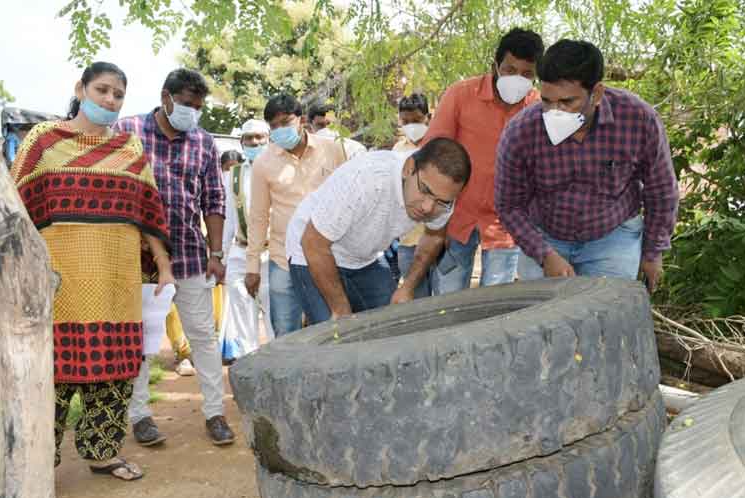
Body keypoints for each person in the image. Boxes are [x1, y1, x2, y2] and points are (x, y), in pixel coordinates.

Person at [11, 62, 173, 480]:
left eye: (118, 95)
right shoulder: (43, 141)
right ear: (80, 88)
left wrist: (164, 266)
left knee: (115, 370)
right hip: (58, 284)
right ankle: (36, 466)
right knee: (51, 376)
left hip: (115, 279)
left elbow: (149, 213)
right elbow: (13, 205)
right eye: (102, 90)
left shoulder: (130, 149)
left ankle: (104, 453)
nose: (110, 100)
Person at [494, 39, 679, 291]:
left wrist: (652, 253)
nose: (554, 112)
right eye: (547, 101)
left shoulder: (638, 119)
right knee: (543, 321)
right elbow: (509, 206)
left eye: (567, 102)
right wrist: (544, 254)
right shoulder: (521, 132)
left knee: (605, 315)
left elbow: (662, 191)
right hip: (544, 235)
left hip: (613, 236)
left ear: (597, 94)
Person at [115, 68, 235, 447]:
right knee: (141, 339)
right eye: (186, 104)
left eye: (198, 107)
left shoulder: (203, 142)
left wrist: (215, 253)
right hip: (134, 258)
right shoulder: (127, 131)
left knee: (203, 335)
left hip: (188, 255)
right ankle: (140, 417)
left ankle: (215, 413)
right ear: (165, 97)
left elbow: (213, 200)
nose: (192, 113)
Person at [286, 137, 471, 324]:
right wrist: (340, 309)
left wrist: (407, 287)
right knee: (338, 336)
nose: (428, 207)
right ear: (409, 168)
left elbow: (433, 237)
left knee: (391, 325)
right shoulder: (365, 179)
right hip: (312, 249)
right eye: (424, 190)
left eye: (441, 201)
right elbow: (313, 243)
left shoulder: (443, 199)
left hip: (364, 257)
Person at [425, 27, 544, 293]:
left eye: (527, 74)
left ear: (536, 77)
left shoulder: (538, 109)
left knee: (496, 305)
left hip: (507, 226)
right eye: (510, 70)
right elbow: (433, 153)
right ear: (495, 66)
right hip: (455, 218)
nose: (517, 79)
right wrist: (435, 223)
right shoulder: (460, 95)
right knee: (447, 299)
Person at [244, 94, 347, 337]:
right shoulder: (263, 163)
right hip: (283, 258)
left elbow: (347, 200)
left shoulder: (331, 151)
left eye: (285, 122)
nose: (280, 130)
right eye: (274, 126)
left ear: (300, 119)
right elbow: (258, 217)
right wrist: (253, 266)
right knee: (284, 331)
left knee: (330, 329)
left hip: (327, 255)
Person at [218, 119, 274, 364]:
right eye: (249, 138)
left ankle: (276, 366)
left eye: (259, 137)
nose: (254, 142)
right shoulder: (234, 175)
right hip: (240, 252)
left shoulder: (279, 169)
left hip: (272, 254)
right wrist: (220, 255)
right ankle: (251, 366)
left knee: (275, 314)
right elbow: (229, 217)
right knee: (242, 315)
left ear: (268, 138)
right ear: (242, 142)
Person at [392, 93, 433, 297]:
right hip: (408, 241)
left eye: (416, 120)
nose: (411, 125)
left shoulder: (439, 146)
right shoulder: (398, 151)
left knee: (443, 297)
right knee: (417, 298)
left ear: (428, 117)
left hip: (437, 238)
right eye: (405, 121)